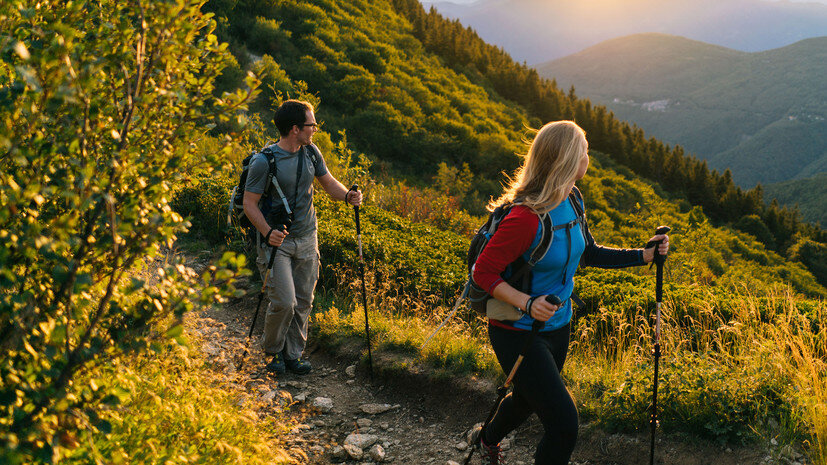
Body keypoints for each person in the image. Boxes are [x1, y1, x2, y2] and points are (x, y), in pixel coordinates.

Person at [470, 120, 669, 464]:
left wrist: (645, 256)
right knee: (564, 425)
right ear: (567, 159)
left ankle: (485, 438)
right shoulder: (526, 218)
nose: (588, 157)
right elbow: (482, 272)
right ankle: (487, 439)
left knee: (527, 398)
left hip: (558, 324)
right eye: (584, 152)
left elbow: (588, 253)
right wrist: (527, 303)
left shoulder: (572, 198)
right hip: (515, 331)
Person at [243, 99, 362, 375]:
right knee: (285, 301)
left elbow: (328, 182)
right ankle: (273, 353)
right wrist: (267, 232)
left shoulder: (311, 152)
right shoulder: (264, 162)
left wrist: (347, 196)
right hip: (277, 242)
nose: (315, 130)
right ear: (295, 128)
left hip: (308, 237)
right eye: (312, 125)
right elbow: (250, 203)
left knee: (304, 301)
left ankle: (293, 354)